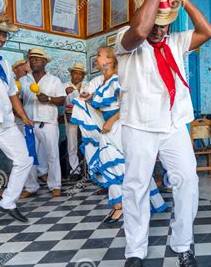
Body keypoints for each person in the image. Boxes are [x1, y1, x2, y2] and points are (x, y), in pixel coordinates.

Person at [115, 0, 211, 267]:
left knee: (187, 181)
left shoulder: (177, 41)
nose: (159, 31)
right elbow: (141, 32)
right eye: (156, 23)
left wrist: (182, 0)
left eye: (164, 25)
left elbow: (208, 31)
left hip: (172, 125)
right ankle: (135, 249)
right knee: (135, 187)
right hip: (138, 125)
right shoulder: (125, 39)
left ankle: (183, 244)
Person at [71, 46, 166, 224]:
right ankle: (125, 205)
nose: (96, 59)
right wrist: (87, 99)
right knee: (118, 167)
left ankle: (125, 206)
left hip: (118, 128)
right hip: (110, 129)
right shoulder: (104, 82)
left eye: (99, 56)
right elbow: (102, 105)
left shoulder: (116, 80)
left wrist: (111, 121)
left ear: (109, 60)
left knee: (118, 166)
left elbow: (128, 105)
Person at [0, 10, 35, 248]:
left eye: (5, 35)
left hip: (4, 123)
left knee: (24, 159)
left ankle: (8, 201)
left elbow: (12, 94)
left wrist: (23, 117)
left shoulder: (3, 62)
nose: (2, 39)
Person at [19, 49, 66, 197]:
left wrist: (50, 99)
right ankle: (31, 186)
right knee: (29, 157)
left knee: (52, 155)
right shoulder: (23, 81)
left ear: (45, 62)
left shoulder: (54, 80)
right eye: (31, 59)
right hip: (29, 123)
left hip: (48, 123)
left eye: (37, 59)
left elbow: (62, 100)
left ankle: (55, 185)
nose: (33, 61)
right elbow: (18, 101)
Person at [64, 62, 87, 181]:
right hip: (70, 117)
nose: (77, 76)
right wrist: (65, 93)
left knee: (88, 142)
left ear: (83, 76)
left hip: (84, 118)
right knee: (72, 144)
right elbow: (61, 101)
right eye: (75, 73)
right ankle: (75, 171)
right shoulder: (64, 86)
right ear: (71, 74)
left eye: (80, 74)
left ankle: (89, 170)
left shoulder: (87, 86)